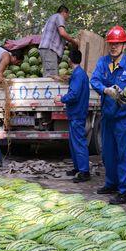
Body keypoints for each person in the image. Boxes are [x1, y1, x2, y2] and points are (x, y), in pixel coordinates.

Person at [90, 25, 126, 204]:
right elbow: (94, 79)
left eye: (117, 43)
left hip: (123, 119)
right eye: (111, 43)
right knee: (108, 153)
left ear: (124, 45)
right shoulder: (102, 62)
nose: (113, 46)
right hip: (107, 117)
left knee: (125, 154)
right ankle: (111, 183)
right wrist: (105, 89)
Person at [55, 49, 90, 183]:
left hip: (77, 113)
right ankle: (78, 168)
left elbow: (74, 94)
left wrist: (61, 99)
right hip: (76, 113)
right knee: (74, 143)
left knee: (79, 143)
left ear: (70, 60)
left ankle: (84, 172)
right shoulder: (79, 73)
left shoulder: (78, 75)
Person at [39, 5, 79, 76]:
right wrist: (73, 42)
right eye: (68, 15)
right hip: (49, 50)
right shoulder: (59, 17)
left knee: (50, 75)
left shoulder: (52, 18)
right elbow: (62, 33)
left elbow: (59, 37)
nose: (67, 17)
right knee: (52, 77)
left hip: (47, 49)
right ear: (64, 13)